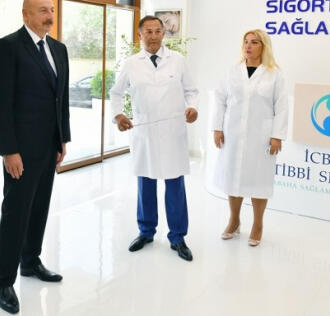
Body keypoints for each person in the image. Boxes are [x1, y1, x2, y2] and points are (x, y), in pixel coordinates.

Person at [0, 0, 70, 314]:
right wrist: (8, 150)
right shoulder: (8, 47)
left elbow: (60, 99)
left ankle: (30, 261)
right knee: (16, 212)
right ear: (26, 14)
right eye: (42, 10)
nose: (49, 15)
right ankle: (4, 281)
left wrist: (62, 139)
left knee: (39, 208)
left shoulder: (58, 49)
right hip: (20, 150)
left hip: (49, 146)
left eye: (52, 10)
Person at [110, 15, 198, 262]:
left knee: (175, 185)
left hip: (172, 132)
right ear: (140, 35)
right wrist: (118, 115)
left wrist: (193, 107)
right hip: (145, 132)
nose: (153, 36)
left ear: (163, 34)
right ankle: (146, 232)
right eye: (148, 32)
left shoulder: (177, 60)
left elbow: (192, 91)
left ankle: (178, 237)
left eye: (157, 31)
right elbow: (116, 93)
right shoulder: (131, 64)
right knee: (146, 184)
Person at [211, 29, 288, 247]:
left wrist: (277, 136)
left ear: (264, 46)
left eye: (254, 42)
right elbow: (219, 100)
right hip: (233, 133)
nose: (248, 46)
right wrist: (217, 128)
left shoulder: (274, 74)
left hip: (260, 137)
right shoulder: (232, 71)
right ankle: (234, 221)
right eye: (246, 42)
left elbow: (282, 107)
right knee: (233, 178)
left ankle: (258, 224)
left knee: (259, 179)